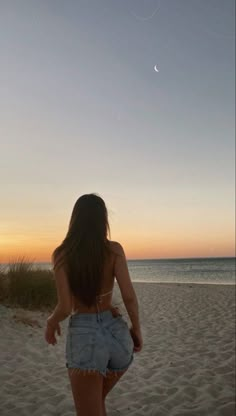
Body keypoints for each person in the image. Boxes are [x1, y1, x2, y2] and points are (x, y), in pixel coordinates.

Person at [45, 193, 143, 416]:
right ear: (103, 221)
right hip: (118, 336)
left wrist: (51, 323)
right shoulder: (114, 250)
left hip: (85, 338)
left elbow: (65, 306)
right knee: (96, 404)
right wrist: (136, 329)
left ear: (74, 220)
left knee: (90, 410)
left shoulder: (62, 255)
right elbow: (129, 296)